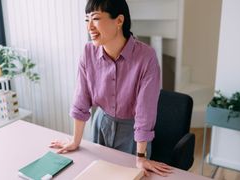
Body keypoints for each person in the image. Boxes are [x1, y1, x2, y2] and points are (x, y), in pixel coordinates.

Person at [49, 0, 172, 177]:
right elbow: (80, 100)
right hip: (102, 125)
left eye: (96, 18)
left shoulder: (146, 57)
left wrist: (141, 157)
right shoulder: (87, 52)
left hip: (133, 134)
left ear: (119, 21)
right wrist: (76, 141)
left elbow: (145, 111)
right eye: (86, 20)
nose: (89, 26)